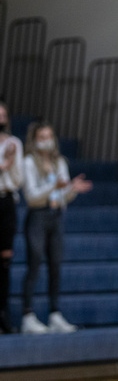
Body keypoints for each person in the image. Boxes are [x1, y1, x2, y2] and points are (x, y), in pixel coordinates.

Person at [21, 121, 92, 334]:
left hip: (56, 216)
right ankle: (27, 316)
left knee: (55, 266)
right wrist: (56, 186)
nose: (47, 141)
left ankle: (54, 314)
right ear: (34, 140)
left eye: (49, 136)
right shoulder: (28, 162)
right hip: (37, 216)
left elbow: (62, 197)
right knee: (34, 265)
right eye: (42, 137)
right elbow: (32, 197)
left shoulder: (60, 161)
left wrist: (72, 189)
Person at [0, 102, 23, 334]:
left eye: (4, 115)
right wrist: (4, 163)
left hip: (7, 200)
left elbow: (18, 179)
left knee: (5, 259)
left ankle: (3, 312)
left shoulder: (14, 143)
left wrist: (9, 164)